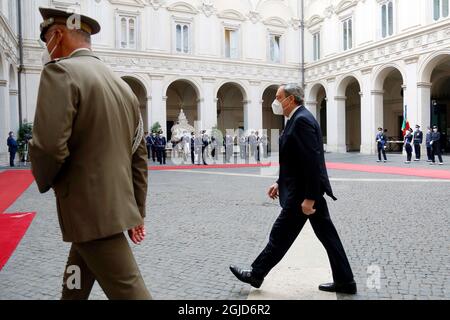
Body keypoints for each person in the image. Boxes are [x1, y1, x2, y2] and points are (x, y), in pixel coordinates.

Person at [29, 8, 151, 300]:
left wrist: (46, 180)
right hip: (108, 212)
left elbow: (47, 147)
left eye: (46, 40)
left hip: (89, 213)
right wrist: (137, 211)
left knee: (130, 292)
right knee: (74, 286)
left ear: (57, 36)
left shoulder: (60, 72)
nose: (46, 49)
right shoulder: (123, 87)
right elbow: (139, 156)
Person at [229, 84, 356, 295]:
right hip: (302, 190)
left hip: (302, 195)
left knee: (280, 234)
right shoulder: (296, 119)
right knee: (328, 237)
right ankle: (345, 281)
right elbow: (295, 161)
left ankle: (256, 273)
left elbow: (312, 163)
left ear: (291, 99)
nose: (276, 101)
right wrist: (280, 182)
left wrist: (310, 198)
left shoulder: (302, 120)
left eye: (279, 97)